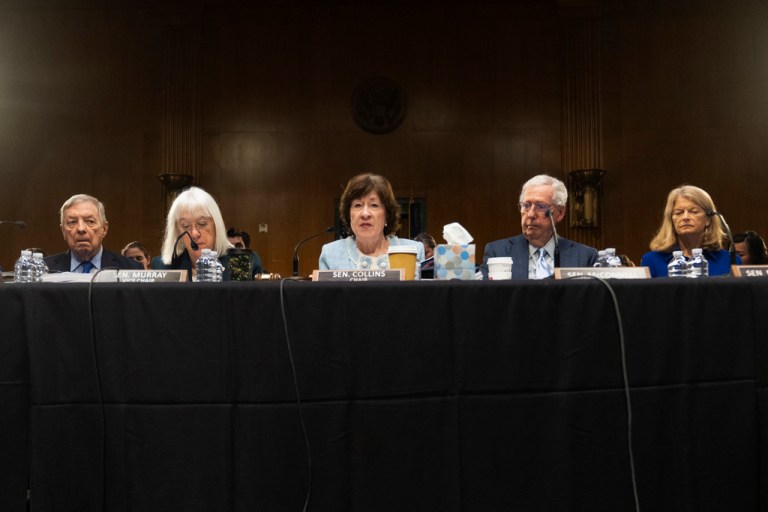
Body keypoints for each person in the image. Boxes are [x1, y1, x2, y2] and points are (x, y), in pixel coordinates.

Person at [480, 174, 598, 279]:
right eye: (526, 205)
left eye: (540, 206)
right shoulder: (498, 252)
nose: (530, 214)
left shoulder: (584, 257)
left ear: (560, 213)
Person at [152, 187, 264, 280]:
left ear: (216, 225)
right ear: (177, 230)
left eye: (202, 224)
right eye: (185, 226)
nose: (194, 234)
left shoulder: (243, 262)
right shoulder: (163, 267)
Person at [319, 173, 425, 270]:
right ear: (349, 215)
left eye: (374, 205)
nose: (365, 214)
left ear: (387, 215)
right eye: (358, 205)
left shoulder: (413, 251)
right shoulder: (330, 254)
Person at [640, 184, 738, 277]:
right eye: (678, 213)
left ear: (708, 219)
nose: (685, 217)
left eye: (693, 211)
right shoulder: (651, 261)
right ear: (671, 220)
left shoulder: (729, 260)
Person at [44, 194, 143, 273]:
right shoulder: (45, 269)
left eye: (90, 221)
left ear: (104, 229)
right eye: (72, 222)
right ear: (63, 231)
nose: (81, 229)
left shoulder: (130, 269)